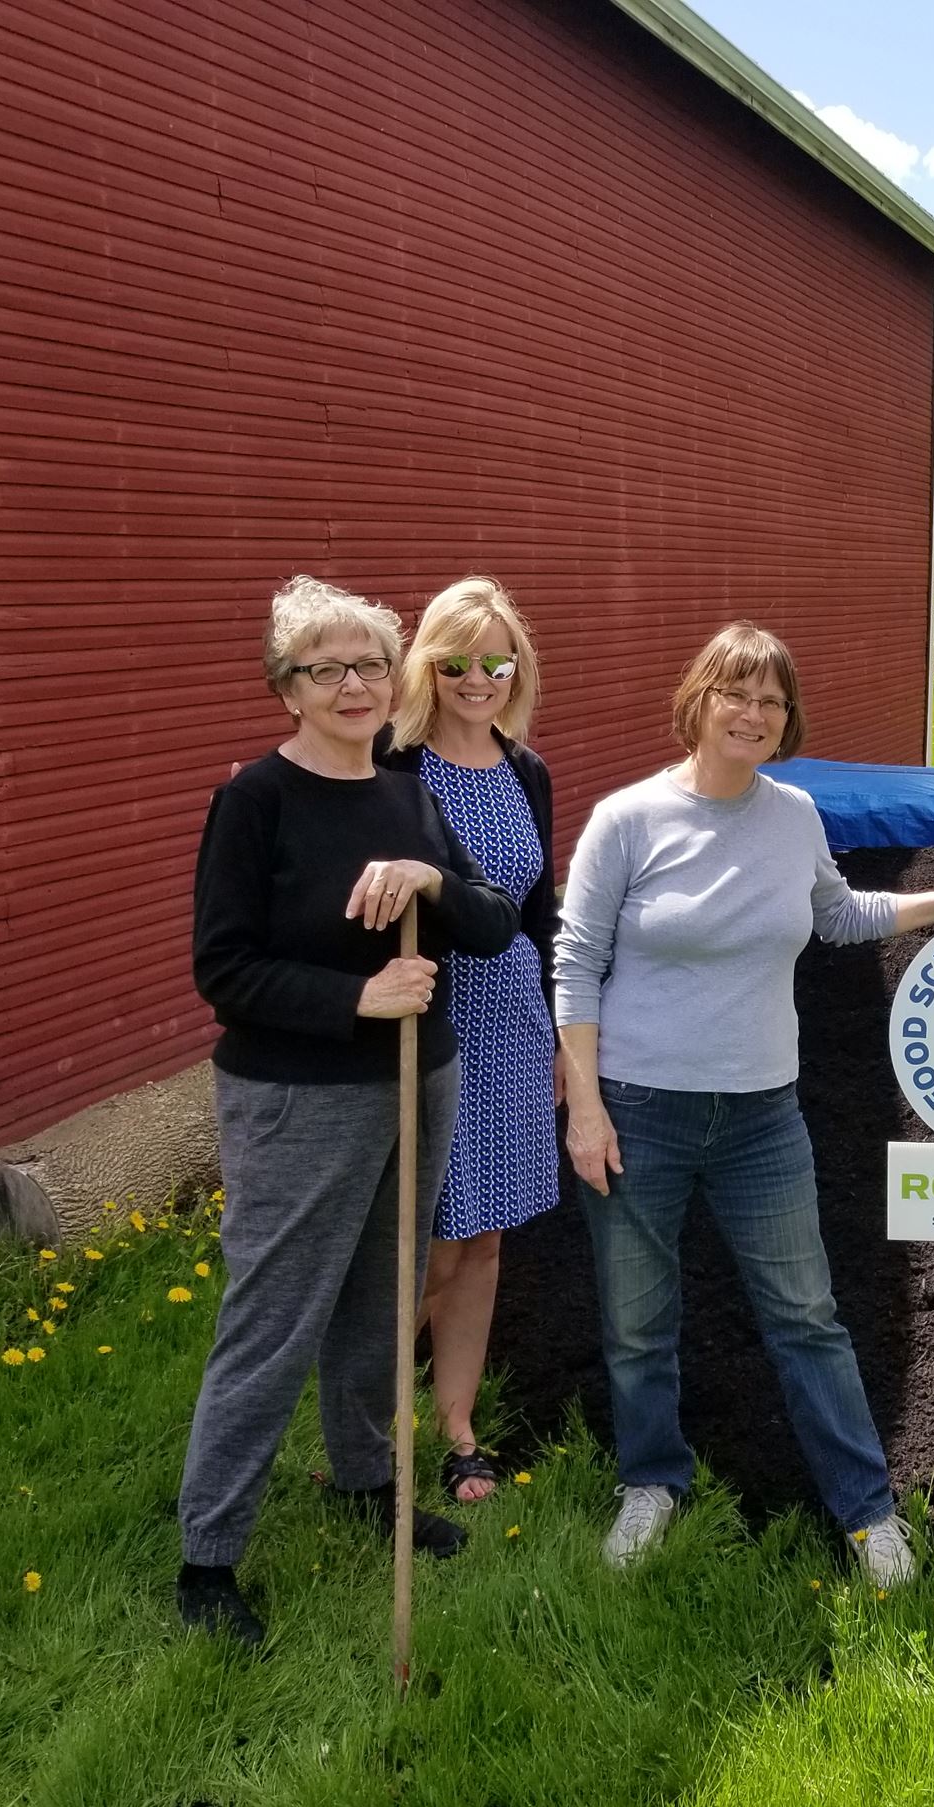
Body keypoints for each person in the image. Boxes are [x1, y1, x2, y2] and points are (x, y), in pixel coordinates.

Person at [553, 623, 934, 1587]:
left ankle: (867, 1514)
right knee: (638, 1321)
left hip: (763, 1116)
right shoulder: (627, 820)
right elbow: (577, 966)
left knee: (807, 1316)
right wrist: (584, 1107)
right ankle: (652, 1484)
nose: (754, 713)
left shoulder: (794, 814)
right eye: (737, 693)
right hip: (640, 1110)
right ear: (699, 701)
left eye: (771, 701)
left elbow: (838, 914)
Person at [180, 575, 521, 1645]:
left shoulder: (408, 795)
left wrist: (428, 876)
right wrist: (354, 996)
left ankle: (370, 1482)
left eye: (371, 664)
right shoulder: (255, 803)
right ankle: (208, 1555)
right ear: (288, 686)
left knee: (385, 1297)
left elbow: (492, 924)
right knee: (274, 1317)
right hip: (297, 1096)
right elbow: (221, 967)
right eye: (327, 669)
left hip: (420, 1080)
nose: (354, 685)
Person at [379, 577, 561, 1505]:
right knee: (429, 1243)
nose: (478, 677)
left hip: (515, 1026)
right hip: (433, 1028)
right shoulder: (394, 765)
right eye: (457, 660)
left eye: (497, 659)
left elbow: (541, 916)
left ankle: (455, 1425)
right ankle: (372, 1419)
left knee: (484, 1242)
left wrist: (564, 1044)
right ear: (428, 664)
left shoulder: (526, 769)